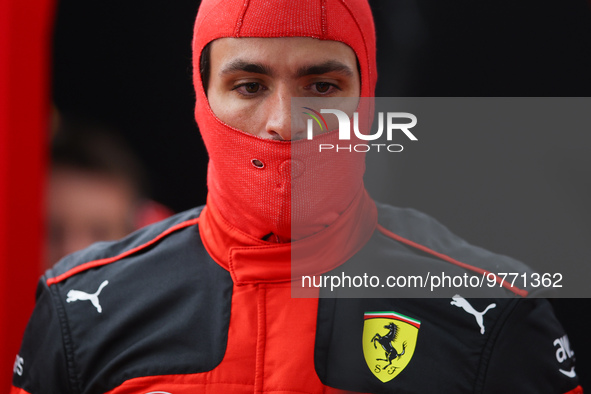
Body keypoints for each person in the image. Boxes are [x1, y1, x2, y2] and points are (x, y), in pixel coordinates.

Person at [12, 0, 582, 393]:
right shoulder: (80, 311)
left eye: (321, 85)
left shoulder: (495, 314)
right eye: (249, 85)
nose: (285, 122)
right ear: (201, 96)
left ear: (367, 100)